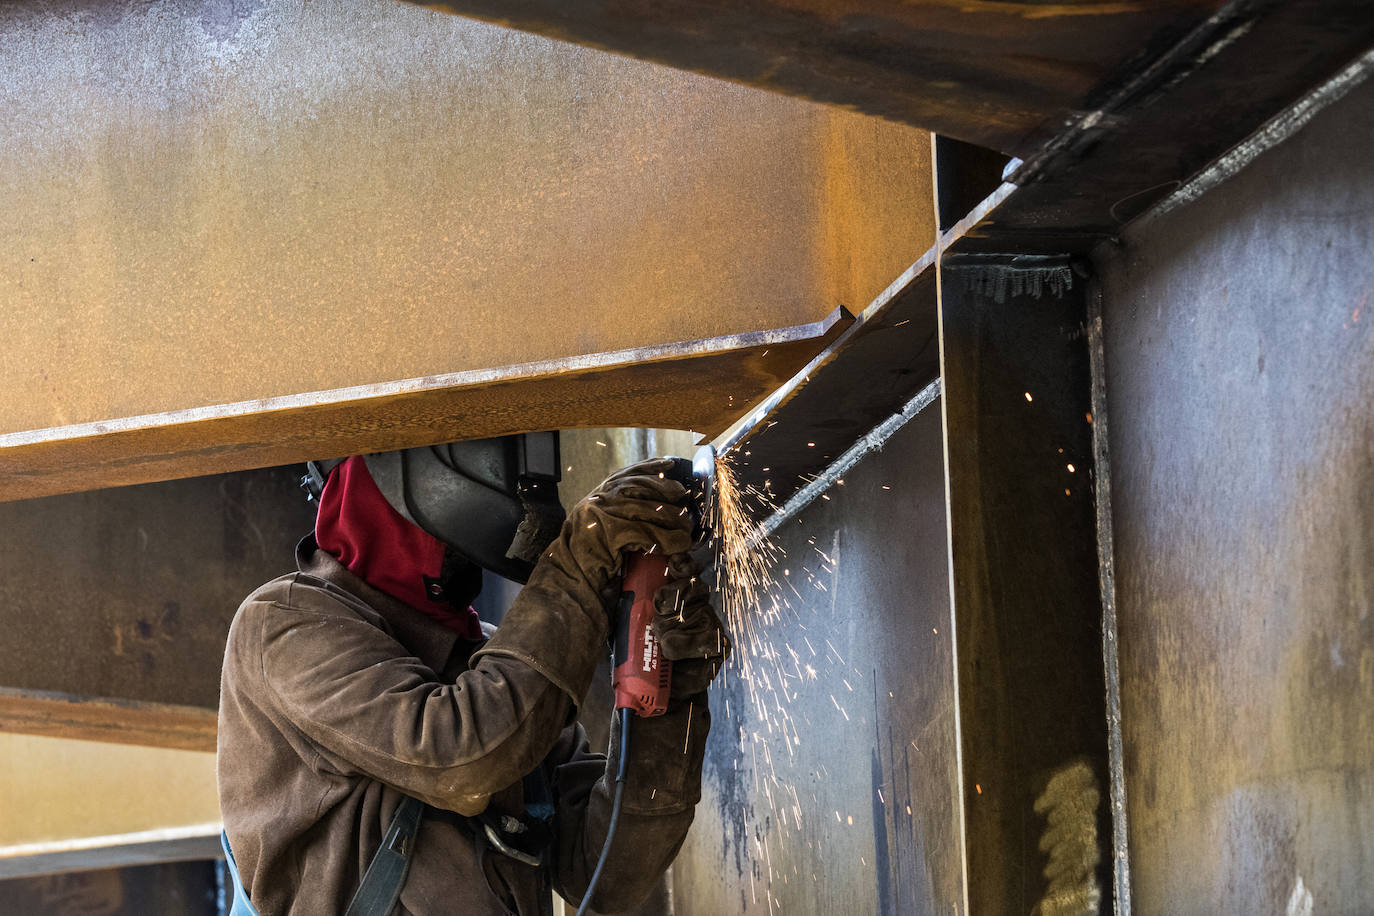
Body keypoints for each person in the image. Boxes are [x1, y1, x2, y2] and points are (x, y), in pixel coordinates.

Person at [216, 437, 729, 915]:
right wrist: (579, 564)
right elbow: (458, 757)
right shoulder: (284, 622)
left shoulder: (495, 662)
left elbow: (604, 872)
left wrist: (666, 698)